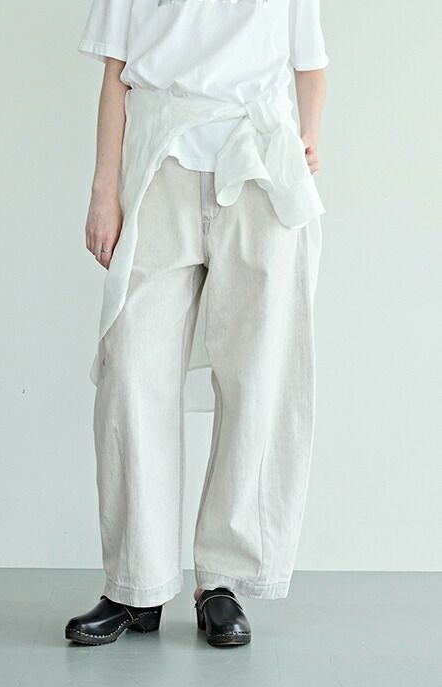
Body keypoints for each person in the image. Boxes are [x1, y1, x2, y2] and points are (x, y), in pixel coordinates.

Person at [65, 0, 328, 647]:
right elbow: (115, 74)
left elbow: (311, 63)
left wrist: (307, 137)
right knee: (132, 368)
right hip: (160, 162)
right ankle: (135, 584)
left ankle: (223, 582)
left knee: (257, 378)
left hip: (259, 165)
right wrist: (103, 189)